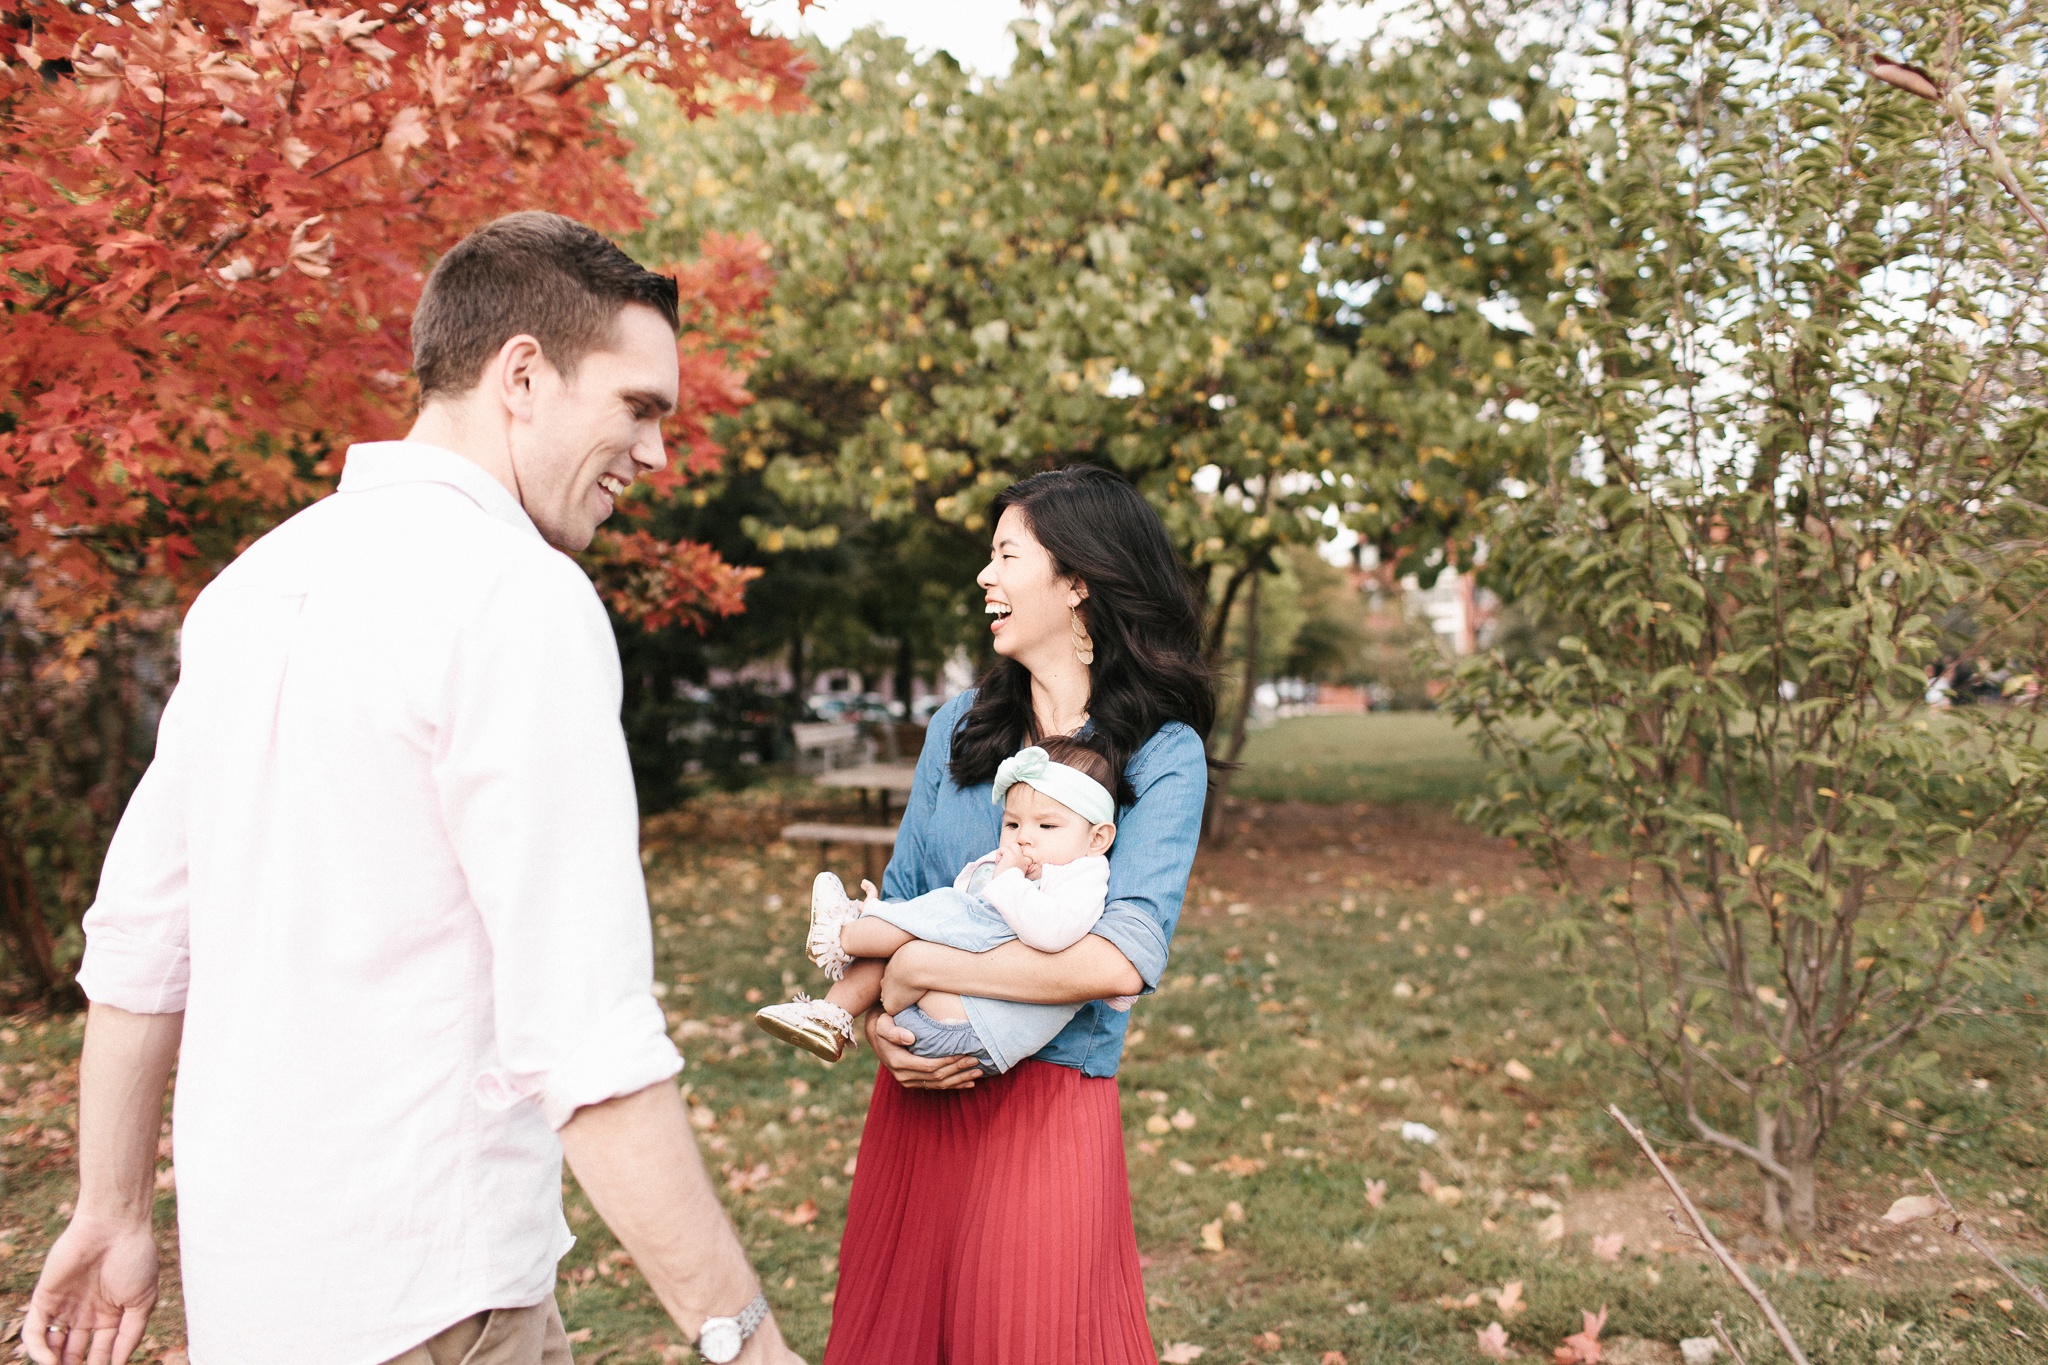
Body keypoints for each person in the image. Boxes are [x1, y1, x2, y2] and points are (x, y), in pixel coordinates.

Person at [24, 212, 801, 1365]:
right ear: (523, 376)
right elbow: (586, 1042)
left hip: (254, 1303)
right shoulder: (517, 599)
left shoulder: (253, 586)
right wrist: (745, 1339)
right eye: (638, 408)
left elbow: (140, 943)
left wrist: (112, 1211)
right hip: (433, 1300)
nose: (655, 457)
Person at [822, 465, 1214, 1365]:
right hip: (920, 1095)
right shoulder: (956, 729)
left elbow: (1118, 962)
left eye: (1006, 555)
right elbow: (905, 894)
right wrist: (884, 1019)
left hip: (1049, 1107)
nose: (984, 578)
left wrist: (922, 968)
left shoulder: (1161, 752)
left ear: (1078, 580)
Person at [755, 736, 1130, 1069]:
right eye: (1013, 825)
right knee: (925, 928)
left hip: (973, 1028)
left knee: (937, 923)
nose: (1024, 839)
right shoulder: (1032, 868)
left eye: (1046, 826)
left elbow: (1051, 933)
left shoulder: (1084, 876)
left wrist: (1009, 881)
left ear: (1097, 838)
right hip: (937, 1015)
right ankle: (831, 1017)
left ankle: (843, 934)